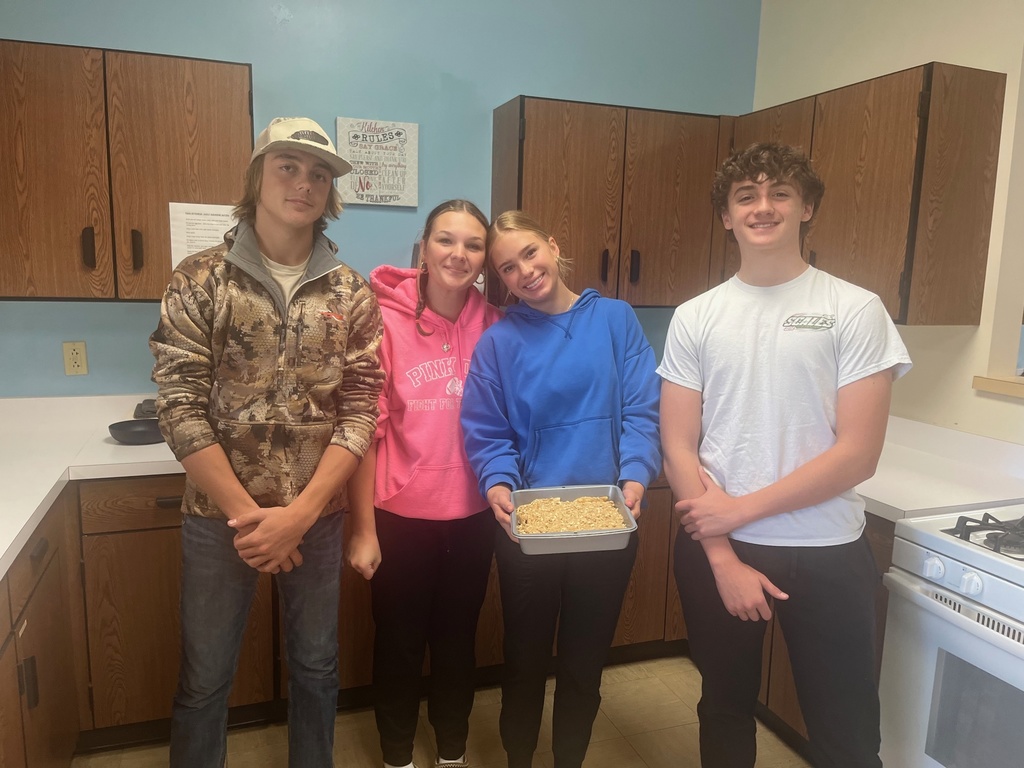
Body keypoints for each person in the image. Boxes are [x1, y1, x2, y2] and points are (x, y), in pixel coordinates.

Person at [658, 142, 912, 767]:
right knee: (723, 711)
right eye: (746, 196)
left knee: (847, 730)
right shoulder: (696, 317)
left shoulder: (853, 310)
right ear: (726, 215)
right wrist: (721, 555)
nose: (762, 207)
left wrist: (735, 511)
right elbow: (676, 444)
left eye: (779, 194)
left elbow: (858, 455)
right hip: (718, 550)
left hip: (825, 550)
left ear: (807, 208)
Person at [149, 116, 384, 768]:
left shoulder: (351, 292)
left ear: (330, 192)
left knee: (317, 668)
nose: (303, 183)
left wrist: (301, 516)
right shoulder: (202, 280)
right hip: (220, 519)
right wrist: (252, 519)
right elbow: (179, 405)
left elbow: (361, 410)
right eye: (287, 166)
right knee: (205, 679)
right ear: (258, 177)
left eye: (317, 174)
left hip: (319, 517)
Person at [460, 211, 661, 768]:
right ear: (499, 280)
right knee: (523, 662)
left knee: (583, 663)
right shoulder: (499, 342)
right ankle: (519, 759)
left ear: (552, 245)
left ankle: (568, 759)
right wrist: (497, 481)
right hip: (529, 528)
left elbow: (642, 409)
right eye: (507, 267)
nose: (524, 271)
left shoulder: (616, 320)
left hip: (607, 522)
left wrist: (638, 471)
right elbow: (486, 429)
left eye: (529, 253)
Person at [347, 199, 502, 768]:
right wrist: (363, 528)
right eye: (446, 240)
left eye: (473, 244)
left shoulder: (497, 325)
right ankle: (396, 757)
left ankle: (453, 754)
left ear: (485, 257)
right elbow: (365, 431)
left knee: (458, 641)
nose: (458, 254)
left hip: (474, 515)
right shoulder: (382, 321)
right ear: (424, 248)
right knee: (399, 643)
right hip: (399, 515)